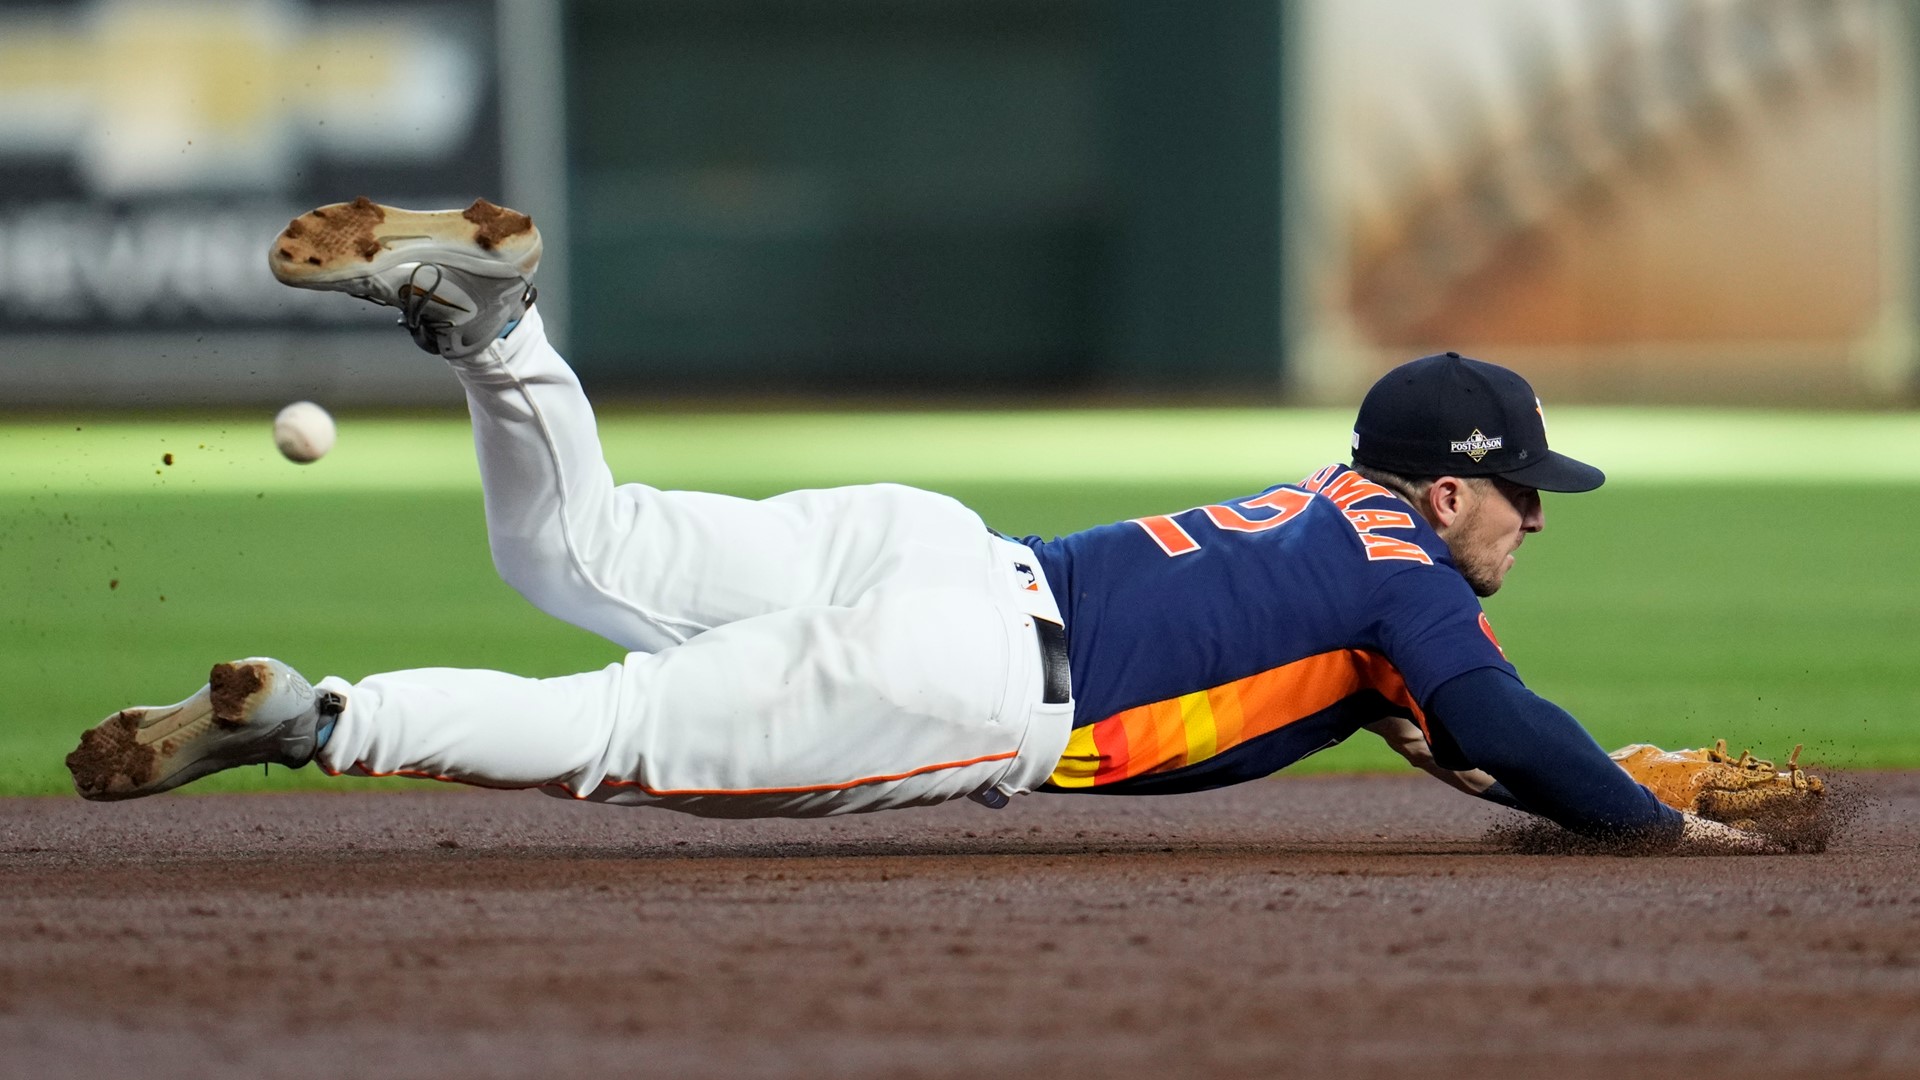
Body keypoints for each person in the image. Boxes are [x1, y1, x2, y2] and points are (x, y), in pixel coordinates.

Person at [66, 197, 1763, 852]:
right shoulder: (1408, 578)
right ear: (1450, 486)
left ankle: (504, 335)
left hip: (931, 548)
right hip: (972, 672)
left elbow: (1471, 743)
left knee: (577, 552)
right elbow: (1493, 719)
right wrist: (1658, 830)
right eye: (1526, 496)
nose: (1535, 524)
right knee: (613, 732)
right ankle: (318, 717)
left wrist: (1614, 770)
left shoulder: (1333, 527)